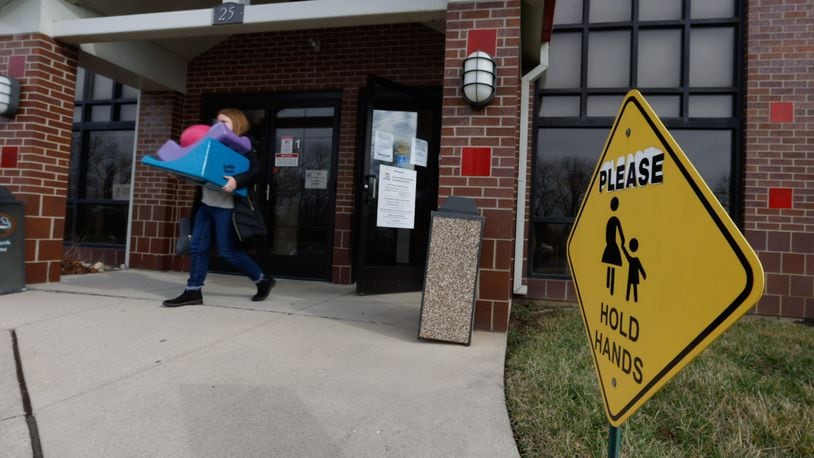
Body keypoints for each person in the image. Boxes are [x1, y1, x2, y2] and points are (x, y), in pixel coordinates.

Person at [163, 108, 274, 307]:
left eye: (224, 122)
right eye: (217, 122)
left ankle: (262, 279)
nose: (218, 126)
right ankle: (193, 291)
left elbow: (257, 169)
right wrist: (178, 172)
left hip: (227, 206)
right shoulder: (208, 144)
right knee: (197, 247)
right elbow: (196, 167)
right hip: (206, 204)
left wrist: (237, 181)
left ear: (237, 125)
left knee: (227, 250)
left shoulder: (245, 146)